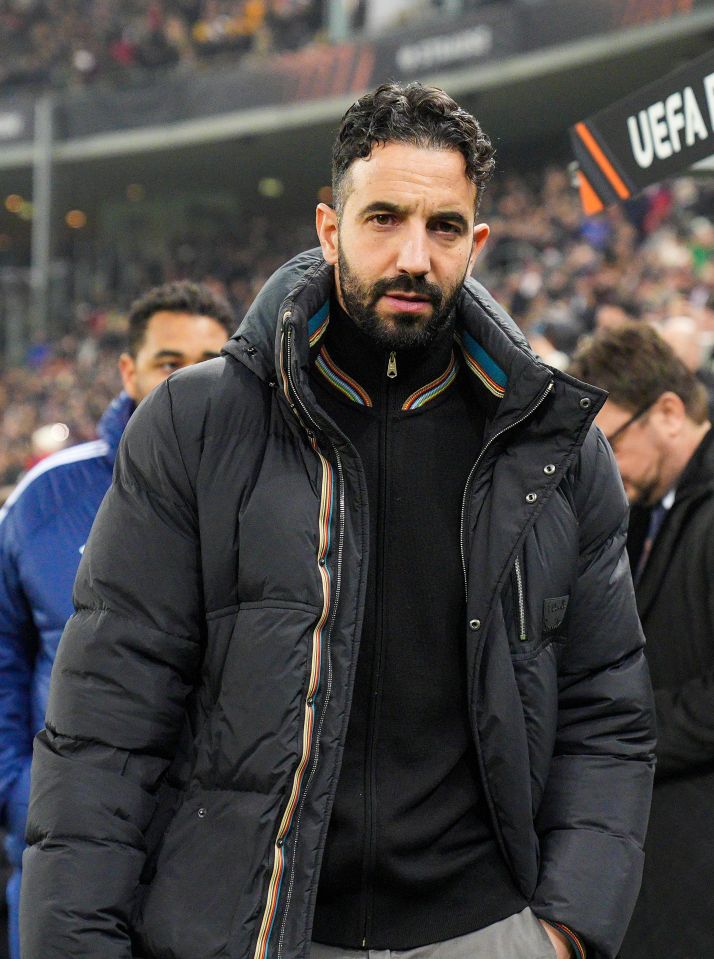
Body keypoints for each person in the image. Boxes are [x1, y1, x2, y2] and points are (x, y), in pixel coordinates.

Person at [21, 83, 655, 959]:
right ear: (328, 229)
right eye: (383, 218)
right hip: (257, 931)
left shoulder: (553, 442)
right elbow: (108, 718)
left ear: (476, 242)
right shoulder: (197, 422)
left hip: (487, 932)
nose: (412, 256)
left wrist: (566, 929)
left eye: (442, 229)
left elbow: (606, 709)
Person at [0, 280, 233, 959]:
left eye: (210, 360)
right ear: (129, 371)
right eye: (169, 362)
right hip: (69, 858)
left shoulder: (273, 495)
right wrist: (24, 793)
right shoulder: (47, 497)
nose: (190, 381)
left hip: (215, 868)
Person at [569, 323, 714, 959]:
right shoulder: (657, 511)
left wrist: (619, 729)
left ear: (669, 412)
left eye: (610, 444)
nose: (604, 468)